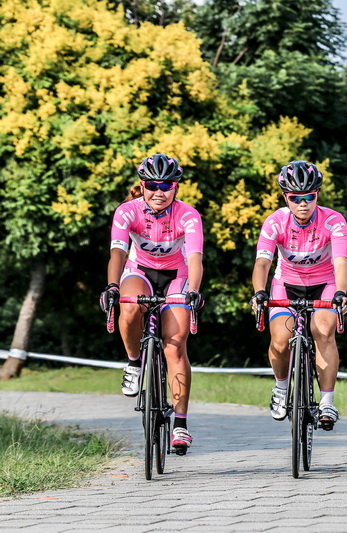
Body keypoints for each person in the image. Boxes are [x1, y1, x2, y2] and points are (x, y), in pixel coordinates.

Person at [99, 154, 204, 455]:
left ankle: (180, 424)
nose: (160, 191)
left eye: (167, 185)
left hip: (177, 275)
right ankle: (134, 362)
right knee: (129, 307)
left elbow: (195, 259)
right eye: (153, 185)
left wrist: (193, 290)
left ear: (176, 188)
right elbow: (117, 254)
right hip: (139, 272)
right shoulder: (126, 211)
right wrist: (112, 286)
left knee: (174, 346)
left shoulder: (187, 215)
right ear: (143, 185)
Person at [251, 160, 347, 431]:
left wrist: (341, 293)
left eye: (310, 197)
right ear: (286, 197)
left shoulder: (333, 220)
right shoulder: (275, 222)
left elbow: (341, 262)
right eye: (296, 198)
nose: (303, 203)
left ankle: (327, 400)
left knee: (323, 330)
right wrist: (259, 292)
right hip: (287, 285)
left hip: (324, 285)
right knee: (280, 340)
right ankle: (281, 387)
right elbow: (262, 263)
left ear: (317, 194)